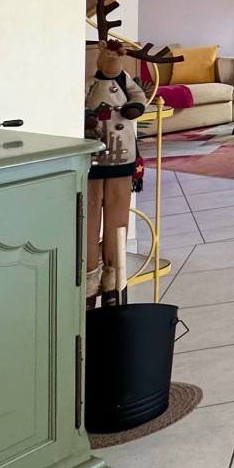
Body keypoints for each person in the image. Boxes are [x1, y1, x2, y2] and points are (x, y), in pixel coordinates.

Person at [83, 41, 148, 298]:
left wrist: (135, 107)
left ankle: (113, 276)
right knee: (88, 221)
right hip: (93, 161)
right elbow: (79, 99)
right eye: (108, 55)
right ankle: (88, 276)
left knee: (117, 220)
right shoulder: (90, 82)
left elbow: (138, 96)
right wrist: (87, 116)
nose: (112, 61)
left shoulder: (125, 80)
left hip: (122, 160)